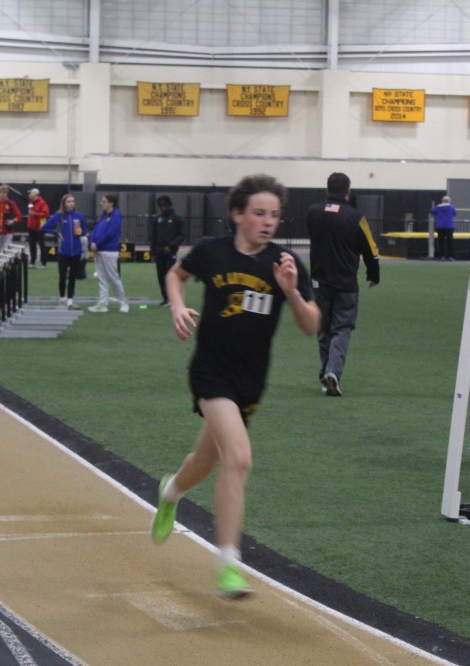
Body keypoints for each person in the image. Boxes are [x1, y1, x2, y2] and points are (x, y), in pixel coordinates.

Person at [150, 174, 320, 599]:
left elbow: (311, 325)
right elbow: (176, 275)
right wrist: (177, 307)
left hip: (251, 380)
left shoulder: (285, 263)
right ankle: (228, 564)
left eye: (275, 215)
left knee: (205, 460)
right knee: (239, 458)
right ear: (238, 214)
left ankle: (170, 491)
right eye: (259, 213)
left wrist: (292, 293)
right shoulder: (213, 251)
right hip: (211, 372)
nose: (268, 222)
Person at [305, 172, 380, 397]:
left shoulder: (313, 213)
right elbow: (371, 249)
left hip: (319, 281)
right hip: (345, 283)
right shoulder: (356, 218)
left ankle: (325, 373)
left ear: (327, 190)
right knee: (342, 328)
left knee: (323, 328)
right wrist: (373, 274)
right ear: (348, 191)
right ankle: (333, 372)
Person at [40, 194, 85, 310]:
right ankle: (62, 298)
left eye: (73, 201)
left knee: (72, 277)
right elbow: (44, 228)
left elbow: (84, 231)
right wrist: (56, 233)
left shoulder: (79, 216)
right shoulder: (58, 216)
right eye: (68, 201)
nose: (71, 203)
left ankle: (70, 301)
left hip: (76, 251)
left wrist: (79, 231)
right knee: (62, 276)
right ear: (64, 203)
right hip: (63, 251)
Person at [88, 194, 129, 313]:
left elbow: (110, 233)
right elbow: (95, 230)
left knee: (113, 277)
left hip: (109, 251)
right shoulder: (103, 216)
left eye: (104, 201)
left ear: (111, 203)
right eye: (102, 201)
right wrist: (91, 242)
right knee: (102, 279)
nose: (102, 203)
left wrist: (97, 243)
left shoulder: (116, 215)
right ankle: (102, 304)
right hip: (99, 250)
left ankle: (123, 303)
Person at [150, 195, 185, 305]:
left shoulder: (177, 218)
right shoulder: (157, 218)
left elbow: (181, 235)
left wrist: (171, 246)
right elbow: (153, 236)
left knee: (169, 274)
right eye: (161, 206)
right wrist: (153, 252)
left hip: (171, 252)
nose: (163, 208)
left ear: (169, 205)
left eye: (164, 206)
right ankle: (165, 298)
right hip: (159, 251)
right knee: (161, 275)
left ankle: (172, 297)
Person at [26, 188, 49, 269]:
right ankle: (32, 262)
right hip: (31, 227)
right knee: (32, 245)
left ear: (35, 194)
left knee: (41, 245)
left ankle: (44, 263)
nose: (29, 195)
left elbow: (46, 213)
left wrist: (35, 213)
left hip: (40, 228)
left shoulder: (42, 203)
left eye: (31, 193)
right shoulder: (30, 202)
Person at [430, 195, 456, 260]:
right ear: (449, 201)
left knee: (441, 242)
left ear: (442, 201)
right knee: (450, 242)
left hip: (440, 226)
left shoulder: (438, 207)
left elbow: (432, 211)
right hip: (449, 226)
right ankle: (450, 256)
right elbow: (454, 213)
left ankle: (442, 256)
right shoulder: (451, 208)